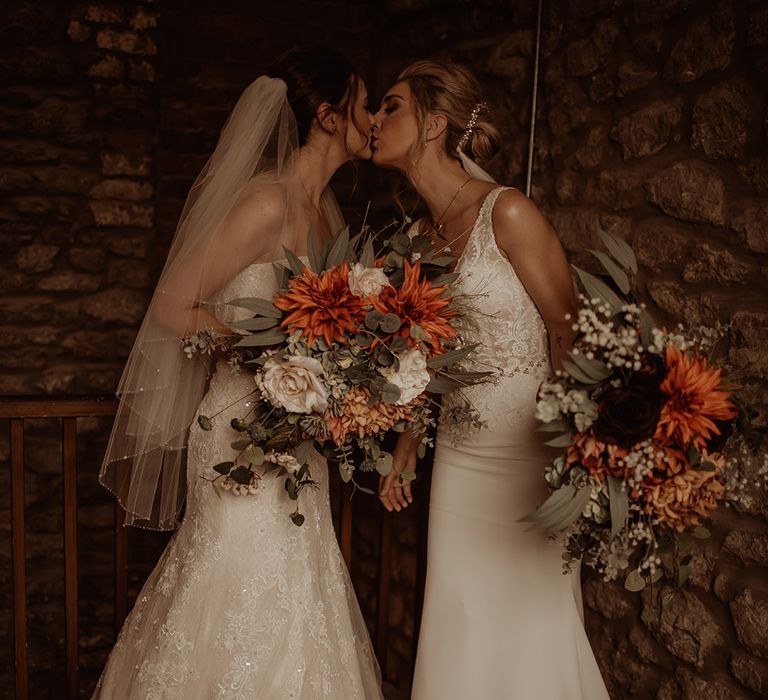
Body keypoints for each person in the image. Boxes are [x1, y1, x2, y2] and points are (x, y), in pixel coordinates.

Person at [94, 47, 383, 699]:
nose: (376, 117)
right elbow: (172, 305)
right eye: (368, 104)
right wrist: (265, 342)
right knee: (237, 576)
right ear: (332, 116)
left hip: (298, 436)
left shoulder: (330, 214)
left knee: (300, 580)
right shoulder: (265, 202)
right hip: (237, 434)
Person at [373, 59, 610, 699]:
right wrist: (403, 451)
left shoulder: (507, 212)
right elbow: (425, 357)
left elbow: (568, 331)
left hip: (530, 452)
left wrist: (580, 452)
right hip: (457, 455)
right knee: (461, 619)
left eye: (390, 106)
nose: (373, 119)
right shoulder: (416, 238)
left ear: (434, 123)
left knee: (532, 624)